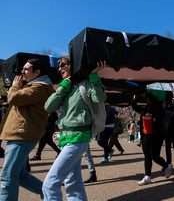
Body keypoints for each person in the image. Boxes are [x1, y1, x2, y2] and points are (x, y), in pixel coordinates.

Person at [43, 56, 107, 200]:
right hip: (65, 138)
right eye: (58, 66)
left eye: (63, 65)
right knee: (73, 185)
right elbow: (49, 106)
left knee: (50, 185)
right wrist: (64, 86)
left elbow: (100, 98)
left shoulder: (86, 83)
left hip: (78, 138)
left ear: (74, 65)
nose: (59, 68)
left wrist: (94, 76)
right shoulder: (66, 86)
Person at [0, 58, 54, 200]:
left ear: (37, 72)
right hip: (18, 134)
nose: (22, 72)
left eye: (26, 69)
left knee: (8, 178)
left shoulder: (41, 87)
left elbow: (14, 99)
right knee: (20, 175)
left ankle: (50, 194)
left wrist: (15, 87)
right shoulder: (31, 86)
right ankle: (49, 195)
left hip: (22, 135)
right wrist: (16, 88)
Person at [132, 93, 172, 185]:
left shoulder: (158, 108)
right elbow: (135, 107)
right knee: (147, 156)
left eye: (149, 98)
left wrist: (147, 93)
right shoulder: (145, 109)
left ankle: (167, 166)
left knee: (155, 156)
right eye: (147, 98)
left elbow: (156, 102)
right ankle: (147, 176)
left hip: (156, 136)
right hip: (146, 135)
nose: (147, 99)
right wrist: (134, 99)